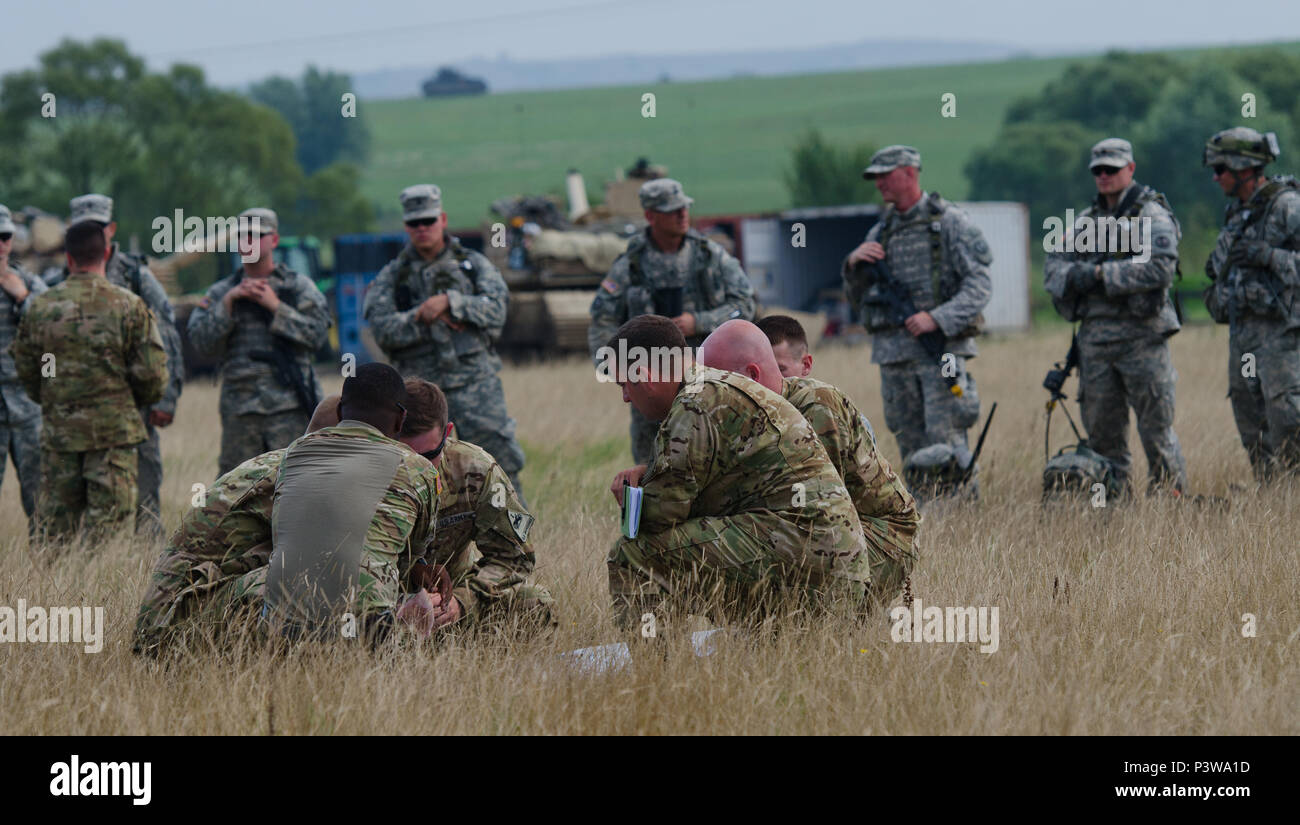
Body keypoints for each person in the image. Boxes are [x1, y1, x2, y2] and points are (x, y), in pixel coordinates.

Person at [604, 315, 868, 636]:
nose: (626, 398)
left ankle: (658, 676)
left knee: (631, 555)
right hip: (831, 564)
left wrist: (635, 497)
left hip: (809, 564)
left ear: (644, 377)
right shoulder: (715, 387)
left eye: (624, 385)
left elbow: (662, 515)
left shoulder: (694, 403)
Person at [842, 145, 992, 499]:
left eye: (885, 174)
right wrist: (852, 266)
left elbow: (980, 286)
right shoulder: (880, 233)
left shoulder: (950, 223)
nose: (878, 183)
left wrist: (936, 318)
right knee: (909, 440)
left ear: (910, 173)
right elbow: (858, 300)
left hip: (941, 351)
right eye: (874, 177)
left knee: (946, 437)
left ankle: (959, 514)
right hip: (894, 356)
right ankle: (920, 517)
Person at [363, 184, 527, 498]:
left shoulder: (474, 266)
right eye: (414, 223)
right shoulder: (392, 276)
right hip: (418, 393)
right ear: (406, 226)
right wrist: (420, 315)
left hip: (476, 385)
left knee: (500, 462)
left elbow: (498, 309)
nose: (422, 228)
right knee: (415, 469)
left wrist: (453, 303)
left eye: (428, 220)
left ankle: (514, 537)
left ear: (443, 219)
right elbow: (382, 329)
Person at [1043, 137, 1187, 495]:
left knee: (1157, 433)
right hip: (1095, 346)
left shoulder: (1152, 215)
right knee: (1103, 438)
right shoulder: (1085, 222)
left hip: (1143, 340)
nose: (1104, 175)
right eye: (1098, 170)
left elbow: (1159, 269)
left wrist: (1100, 276)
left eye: (1112, 168)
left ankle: (1171, 510)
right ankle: (1113, 514)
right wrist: (1073, 277)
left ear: (1130, 169)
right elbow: (1053, 269)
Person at [744, 317, 919, 604]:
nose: (767, 381)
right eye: (760, 372)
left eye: (781, 370)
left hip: (864, 534)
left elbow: (819, 514)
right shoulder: (761, 414)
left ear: (807, 365)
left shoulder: (819, 409)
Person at [262, 363, 440, 643]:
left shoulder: (294, 453)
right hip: (366, 628)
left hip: (280, 623)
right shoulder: (417, 468)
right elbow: (412, 553)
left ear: (341, 411)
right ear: (400, 420)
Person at [12, 221, 167, 543]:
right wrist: (127, 400)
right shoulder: (129, 306)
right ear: (107, 253)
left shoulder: (40, 308)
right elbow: (152, 378)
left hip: (59, 438)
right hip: (114, 438)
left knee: (55, 537)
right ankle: (95, 592)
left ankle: (52, 594)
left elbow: (30, 371)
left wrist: (54, 396)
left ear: (68, 258)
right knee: (108, 535)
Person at [588, 178, 757, 465]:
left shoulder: (710, 257)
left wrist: (699, 322)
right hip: (650, 385)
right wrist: (615, 367)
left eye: (684, 208)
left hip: (708, 378)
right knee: (652, 463)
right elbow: (602, 317)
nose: (682, 215)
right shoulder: (631, 265)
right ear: (650, 216)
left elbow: (745, 305)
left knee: (717, 456)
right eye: (672, 210)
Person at [56, 195, 185, 536]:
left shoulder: (136, 276)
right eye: (86, 228)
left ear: (111, 229)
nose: (96, 233)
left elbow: (167, 334)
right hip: (80, 410)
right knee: (82, 502)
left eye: (99, 227)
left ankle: (145, 565)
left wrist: (166, 398)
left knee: (145, 492)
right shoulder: (63, 278)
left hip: (135, 406)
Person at [399, 378, 555, 634]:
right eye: (405, 456)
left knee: (533, 602)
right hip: (386, 604)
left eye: (428, 457)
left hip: (449, 601)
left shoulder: (476, 470)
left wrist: (462, 602)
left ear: (447, 433)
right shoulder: (366, 473)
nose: (418, 468)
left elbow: (514, 556)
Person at [187, 207, 330, 475]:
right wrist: (227, 304)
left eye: (255, 235)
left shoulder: (298, 288)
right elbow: (200, 343)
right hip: (241, 414)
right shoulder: (220, 292)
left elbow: (318, 337)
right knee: (236, 491)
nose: (247, 242)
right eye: (241, 236)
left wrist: (276, 307)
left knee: (292, 485)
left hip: (289, 410)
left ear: (274, 240)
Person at [1202, 127, 1300, 480]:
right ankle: (1271, 498)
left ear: (1244, 168)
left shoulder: (1288, 206)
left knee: (1287, 417)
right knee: (1250, 418)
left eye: (1220, 170)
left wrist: (1269, 256)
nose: (1215, 178)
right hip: (1243, 337)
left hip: (1282, 336)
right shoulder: (1238, 214)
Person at [0, 204, 47, 528]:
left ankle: (48, 569)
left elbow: (53, 331)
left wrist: (22, 297)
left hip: (27, 408)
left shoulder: (29, 283)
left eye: (4, 236)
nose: (0, 244)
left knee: (42, 501)